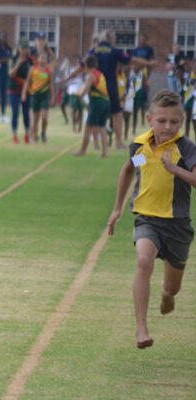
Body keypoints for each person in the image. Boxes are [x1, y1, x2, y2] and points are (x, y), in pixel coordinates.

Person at [107, 89, 196, 349]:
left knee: (173, 287)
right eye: (161, 121)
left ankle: (167, 294)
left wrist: (174, 169)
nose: (167, 127)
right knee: (143, 261)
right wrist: (117, 209)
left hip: (177, 225)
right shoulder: (141, 146)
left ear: (181, 121)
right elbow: (128, 169)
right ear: (149, 119)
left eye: (174, 121)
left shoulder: (186, 148)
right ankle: (141, 328)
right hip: (147, 219)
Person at [73, 55, 110, 158]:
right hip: (106, 102)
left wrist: (78, 94)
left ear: (86, 65)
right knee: (102, 127)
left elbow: (85, 90)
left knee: (88, 127)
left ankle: (82, 151)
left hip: (97, 103)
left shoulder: (91, 76)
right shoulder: (100, 74)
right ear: (96, 65)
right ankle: (105, 153)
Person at [22, 52, 54, 143]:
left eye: (45, 58)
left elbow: (51, 85)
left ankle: (43, 132)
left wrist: (52, 97)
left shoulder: (49, 71)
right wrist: (24, 93)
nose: (43, 60)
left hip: (44, 96)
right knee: (35, 119)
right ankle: (34, 136)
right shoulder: (32, 69)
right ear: (37, 59)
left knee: (44, 117)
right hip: (35, 96)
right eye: (42, 58)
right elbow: (27, 82)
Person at [7, 39, 32, 143]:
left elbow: (30, 78)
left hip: (26, 89)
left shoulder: (30, 61)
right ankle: (15, 135)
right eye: (22, 48)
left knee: (26, 113)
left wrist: (24, 92)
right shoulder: (13, 60)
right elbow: (10, 74)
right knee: (15, 112)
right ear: (18, 48)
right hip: (13, 89)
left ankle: (27, 134)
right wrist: (17, 64)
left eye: (25, 48)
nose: (24, 51)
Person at [133, 33, 154, 127]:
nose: (142, 41)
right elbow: (133, 60)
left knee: (144, 94)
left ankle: (143, 118)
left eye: (143, 39)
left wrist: (149, 71)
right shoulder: (136, 49)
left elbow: (152, 61)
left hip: (145, 72)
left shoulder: (149, 49)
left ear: (146, 40)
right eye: (140, 39)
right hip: (137, 72)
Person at [182, 61, 196, 139]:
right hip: (188, 100)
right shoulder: (189, 78)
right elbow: (190, 82)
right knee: (188, 119)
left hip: (194, 102)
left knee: (194, 120)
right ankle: (186, 136)